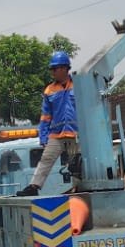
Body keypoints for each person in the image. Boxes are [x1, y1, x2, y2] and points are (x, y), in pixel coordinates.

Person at [18, 50, 79, 196]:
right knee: (46, 160)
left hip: (76, 133)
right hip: (57, 134)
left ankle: (78, 189)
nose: (52, 72)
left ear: (64, 68)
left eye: (54, 69)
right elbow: (45, 117)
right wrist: (43, 137)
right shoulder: (49, 90)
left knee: (77, 163)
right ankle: (34, 187)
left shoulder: (79, 84)